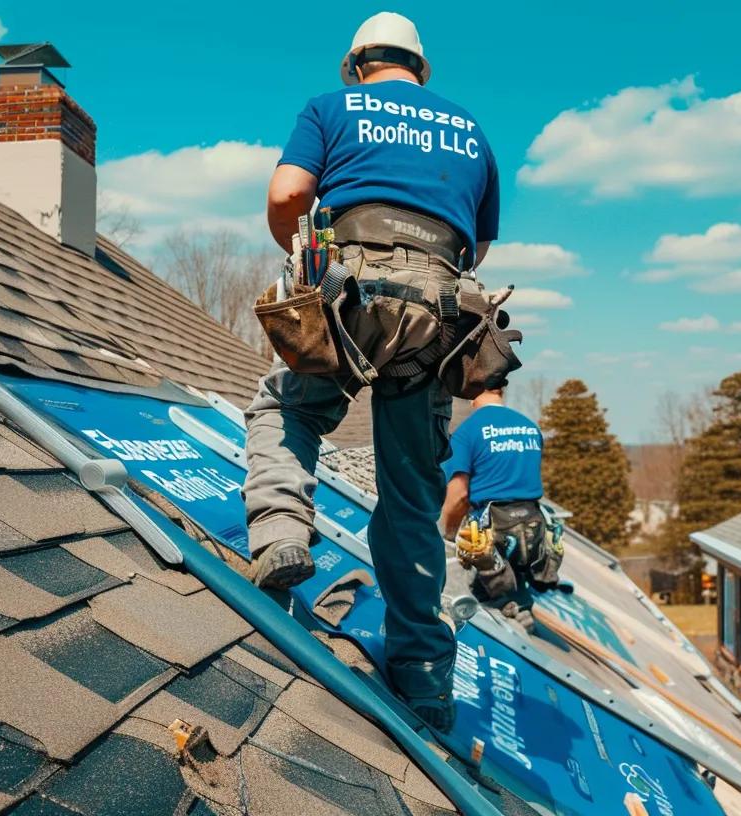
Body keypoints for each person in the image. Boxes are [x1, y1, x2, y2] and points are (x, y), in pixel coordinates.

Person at [241, 11, 500, 731]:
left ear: (356, 65)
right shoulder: (469, 129)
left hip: (349, 289)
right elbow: (474, 245)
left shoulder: (332, 107)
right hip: (440, 310)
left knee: (287, 409)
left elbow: (290, 195)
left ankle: (284, 533)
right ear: (421, 70)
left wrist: (299, 262)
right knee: (415, 491)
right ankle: (422, 675)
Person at [440, 385, 561, 621]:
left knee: (481, 605)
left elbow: (458, 496)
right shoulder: (529, 428)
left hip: (492, 533)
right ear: (502, 389)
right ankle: (519, 612)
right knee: (515, 595)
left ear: (472, 389)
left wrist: (449, 535)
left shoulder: (469, 431)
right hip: (533, 528)